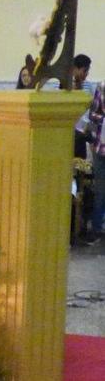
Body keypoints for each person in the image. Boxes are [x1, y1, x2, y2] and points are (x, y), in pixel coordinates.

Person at [83, 82, 104, 245]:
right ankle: (96, 228)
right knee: (100, 190)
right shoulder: (102, 88)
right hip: (101, 147)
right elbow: (93, 115)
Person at [72, 54, 94, 159]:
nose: (86, 74)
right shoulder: (62, 85)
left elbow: (92, 109)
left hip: (82, 133)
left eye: (87, 71)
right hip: (68, 131)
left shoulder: (89, 86)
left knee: (81, 165)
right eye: (84, 71)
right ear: (75, 69)